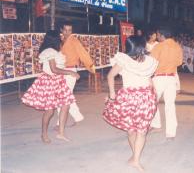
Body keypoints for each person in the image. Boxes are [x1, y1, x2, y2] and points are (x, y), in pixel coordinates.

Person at [103, 36, 158, 172]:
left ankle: (136, 159)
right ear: (143, 46)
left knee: (133, 130)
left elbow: (110, 76)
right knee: (140, 131)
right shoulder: (147, 61)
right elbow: (149, 80)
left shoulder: (125, 60)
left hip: (131, 97)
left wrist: (112, 95)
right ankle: (135, 158)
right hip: (144, 97)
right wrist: (153, 94)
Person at [21, 30, 80, 143]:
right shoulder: (49, 51)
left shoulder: (55, 51)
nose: (61, 38)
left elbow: (58, 67)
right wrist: (71, 73)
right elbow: (54, 69)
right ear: (54, 39)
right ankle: (44, 134)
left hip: (58, 81)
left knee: (65, 106)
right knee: (50, 111)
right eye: (59, 36)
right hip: (49, 82)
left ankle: (61, 133)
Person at [56, 24, 95, 127]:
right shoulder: (59, 40)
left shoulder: (74, 41)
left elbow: (83, 54)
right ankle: (78, 117)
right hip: (61, 71)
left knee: (63, 96)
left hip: (71, 71)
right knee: (65, 95)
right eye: (65, 30)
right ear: (61, 30)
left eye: (70, 30)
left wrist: (90, 66)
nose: (67, 32)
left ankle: (59, 123)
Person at [150, 28, 183, 140]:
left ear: (162, 35)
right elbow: (179, 62)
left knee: (153, 102)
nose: (157, 37)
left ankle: (156, 124)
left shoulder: (159, 46)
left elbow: (151, 62)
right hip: (171, 78)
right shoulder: (177, 46)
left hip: (159, 78)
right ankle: (171, 133)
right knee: (170, 105)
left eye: (158, 35)